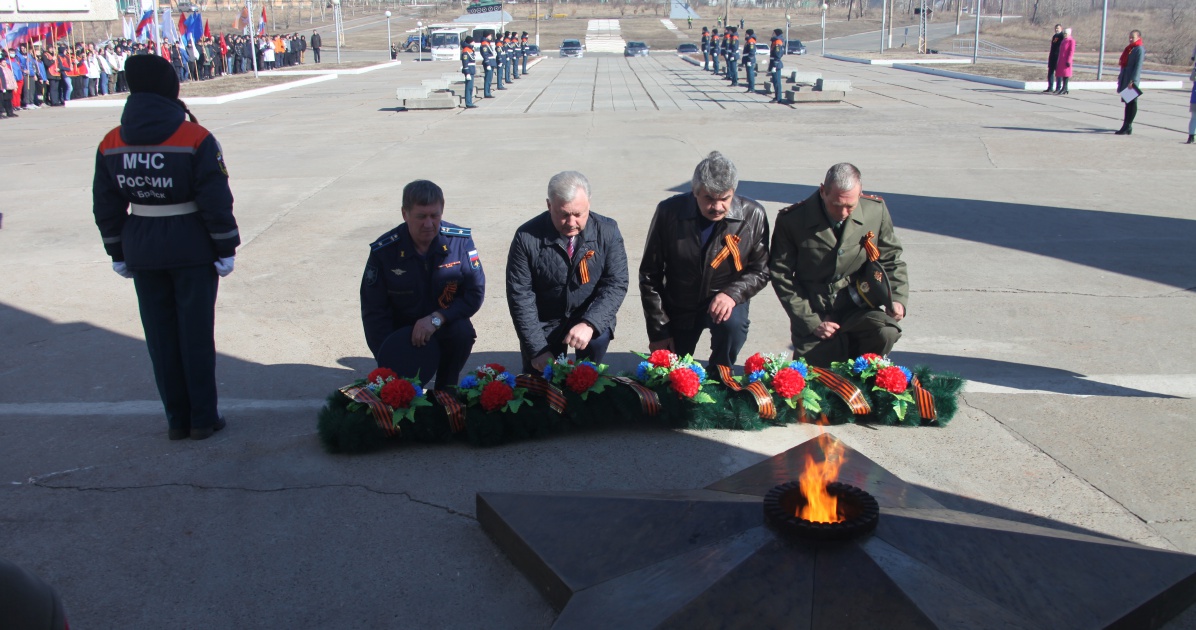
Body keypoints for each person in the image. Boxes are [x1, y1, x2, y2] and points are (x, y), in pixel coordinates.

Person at [92, 54, 240, 440]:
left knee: (161, 339)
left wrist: (116, 251)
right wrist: (226, 245)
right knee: (195, 336)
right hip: (192, 247)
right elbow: (214, 197)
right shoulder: (194, 137)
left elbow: (105, 204)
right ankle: (202, 418)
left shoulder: (111, 141)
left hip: (142, 247)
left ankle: (177, 419)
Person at [769, 163, 909, 367]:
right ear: (822, 191)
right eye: (836, 204)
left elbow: (891, 258)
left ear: (860, 193)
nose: (843, 212)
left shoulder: (875, 211)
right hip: (816, 309)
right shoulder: (793, 220)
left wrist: (896, 298)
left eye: (850, 206)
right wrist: (811, 321)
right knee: (816, 379)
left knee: (886, 331)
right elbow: (781, 275)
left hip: (859, 305)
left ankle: (866, 374)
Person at [639, 152, 769, 369]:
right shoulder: (669, 212)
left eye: (724, 199)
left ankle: (720, 374)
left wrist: (732, 294)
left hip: (725, 296)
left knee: (732, 327)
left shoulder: (753, 215)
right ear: (695, 191)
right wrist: (658, 330)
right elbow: (650, 274)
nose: (717, 207)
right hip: (681, 301)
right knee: (673, 371)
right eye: (709, 198)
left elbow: (761, 269)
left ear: (733, 192)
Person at [360, 180, 485, 390]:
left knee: (462, 332)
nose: (428, 224)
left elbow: (474, 293)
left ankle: (446, 389)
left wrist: (438, 318)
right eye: (421, 216)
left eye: (434, 216)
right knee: (401, 393)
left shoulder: (459, 242)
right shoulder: (385, 251)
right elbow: (374, 311)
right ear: (405, 214)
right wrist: (388, 360)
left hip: (442, 323)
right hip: (401, 332)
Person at [506, 171, 629, 374]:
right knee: (540, 380)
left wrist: (591, 323)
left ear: (589, 203)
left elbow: (616, 283)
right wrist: (536, 349)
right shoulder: (526, 237)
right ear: (549, 205)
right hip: (545, 320)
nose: (571, 223)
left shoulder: (608, 231)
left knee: (593, 357)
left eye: (578, 214)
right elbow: (520, 295)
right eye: (563, 215)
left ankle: (588, 372)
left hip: (587, 313)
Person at [1116, 30, 1144, 136]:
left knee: (1132, 103)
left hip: (1131, 80)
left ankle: (1128, 126)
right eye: (1130, 37)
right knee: (1127, 103)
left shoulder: (1139, 49)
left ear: (1139, 37)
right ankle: (1125, 125)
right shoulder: (1130, 48)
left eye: (1133, 37)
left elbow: (1138, 67)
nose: (1131, 39)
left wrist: (1133, 81)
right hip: (1126, 78)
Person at [1054, 28, 1075, 95]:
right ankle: (1064, 88)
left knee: (1066, 74)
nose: (1064, 35)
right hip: (1061, 59)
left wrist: (1069, 60)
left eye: (1065, 33)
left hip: (1066, 60)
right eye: (1064, 33)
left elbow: (1071, 51)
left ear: (1069, 34)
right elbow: (1055, 44)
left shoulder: (1071, 41)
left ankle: (1065, 88)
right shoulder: (1063, 40)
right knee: (1062, 74)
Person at [1044, 24, 1063, 93]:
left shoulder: (1062, 36)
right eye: (1056, 28)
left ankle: (1058, 88)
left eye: (1058, 28)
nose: (1056, 29)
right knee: (1050, 72)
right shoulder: (1055, 36)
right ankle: (1050, 87)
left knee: (1058, 73)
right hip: (1052, 56)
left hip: (1058, 56)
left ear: (1061, 28)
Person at [460, 36, 477, 108]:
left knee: (470, 88)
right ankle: (468, 103)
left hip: (471, 70)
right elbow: (465, 63)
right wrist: (467, 73)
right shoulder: (466, 51)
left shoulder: (470, 50)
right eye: (473, 41)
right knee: (468, 87)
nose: (474, 42)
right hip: (469, 71)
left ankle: (470, 102)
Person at [769, 29, 784, 103]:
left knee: (777, 82)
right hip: (774, 63)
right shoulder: (775, 41)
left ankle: (778, 98)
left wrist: (774, 65)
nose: (772, 34)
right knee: (775, 81)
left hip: (776, 64)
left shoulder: (777, 41)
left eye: (773, 33)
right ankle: (776, 97)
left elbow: (778, 54)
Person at [481, 33, 496, 98]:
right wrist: (487, 64)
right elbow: (485, 55)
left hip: (491, 62)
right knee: (488, 79)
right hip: (489, 63)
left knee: (489, 79)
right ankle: (487, 93)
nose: (491, 37)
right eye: (490, 35)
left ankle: (488, 92)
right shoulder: (484, 44)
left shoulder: (487, 43)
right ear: (487, 36)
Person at [743, 29, 757, 93]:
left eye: (746, 34)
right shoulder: (748, 40)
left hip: (750, 60)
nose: (745, 35)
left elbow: (752, 51)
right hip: (747, 59)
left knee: (750, 74)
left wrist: (749, 60)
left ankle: (751, 88)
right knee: (749, 74)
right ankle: (750, 87)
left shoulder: (751, 41)